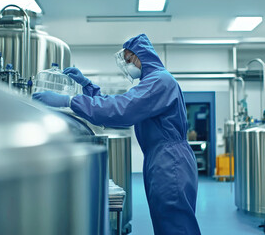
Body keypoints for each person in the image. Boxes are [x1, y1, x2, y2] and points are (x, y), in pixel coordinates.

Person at [32, 34, 201, 234]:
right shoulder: (153, 82)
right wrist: (88, 86)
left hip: (169, 162)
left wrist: (70, 101)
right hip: (162, 159)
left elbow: (122, 110)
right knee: (166, 222)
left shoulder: (159, 81)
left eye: (130, 59)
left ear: (142, 56)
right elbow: (118, 106)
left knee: (175, 225)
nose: (128, 64)